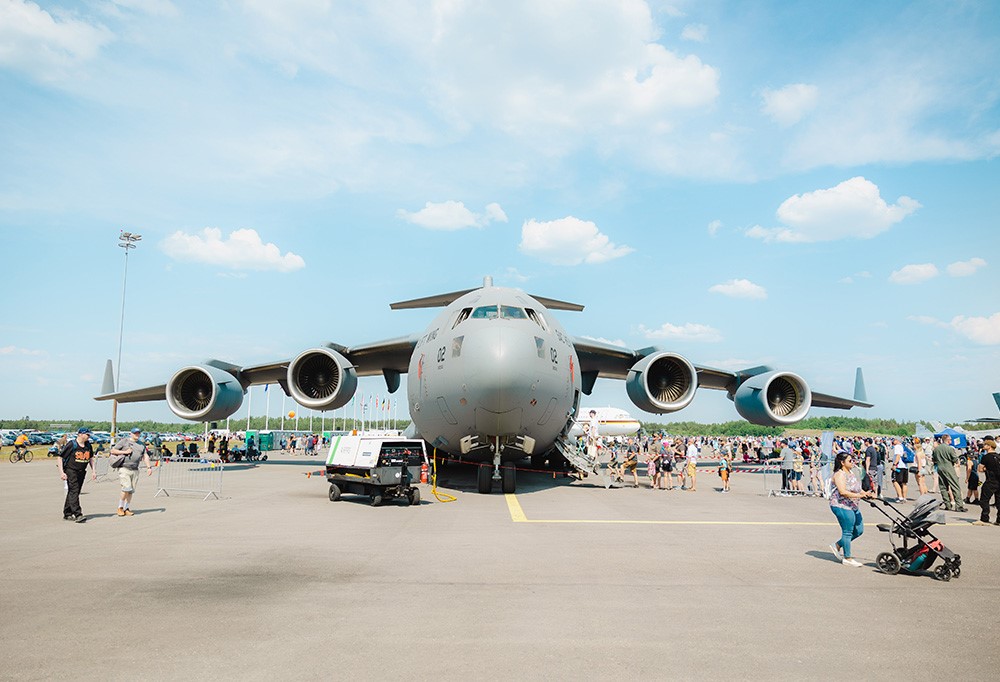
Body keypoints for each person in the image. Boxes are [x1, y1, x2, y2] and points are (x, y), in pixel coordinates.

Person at [828, 450, 875, 567]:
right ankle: (847, 558)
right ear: (842, 462)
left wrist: (866, 493)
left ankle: (838, 545)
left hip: (853, 505)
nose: (852, 462)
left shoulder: (851, 472)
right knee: (847, 532)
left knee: (859, 530)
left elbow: (857, 488)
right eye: (850, 460)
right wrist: (860, 496)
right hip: (841, 505)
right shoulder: (839, 474)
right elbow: (843, 492)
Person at [110, 427, 153, 516]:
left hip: (135, 469)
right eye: (135, 433)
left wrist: (149, 467)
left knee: (131, 491)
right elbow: (113, 450)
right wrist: (125, 452)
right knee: (126, 488)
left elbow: (145, 456)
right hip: (124, 468)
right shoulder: (124, 441)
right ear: (131, 434)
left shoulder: (141, 445)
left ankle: (126, 508)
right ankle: (120, 507)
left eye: (138, 433)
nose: (137, 435)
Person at [57, 427, 97, 522]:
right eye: (87, 434)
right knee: (74, 491)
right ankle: (78, 514)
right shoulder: (72, 444)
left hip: (82, 471)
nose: (88, 436)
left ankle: (67, 513)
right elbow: (60, 457)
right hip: (71, 471)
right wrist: (62, 472)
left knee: (74, 492)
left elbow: (91, 458)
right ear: (80, 434)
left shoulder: (88, 445)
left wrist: (93, 471)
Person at [932, 434, 966, 512]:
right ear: (948, 440)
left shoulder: (936, 449)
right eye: (950, 439)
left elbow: (934, 459)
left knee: (943, 487)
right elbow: (955, 459)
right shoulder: (950, 449)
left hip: (940, 468)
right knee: (955, 486)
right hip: (949, 467)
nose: (951, 441)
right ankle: (959, 506)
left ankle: (947, 505)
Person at [973, 437, 999, 526]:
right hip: (999, 480)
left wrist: (985, 469)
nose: (983, 445)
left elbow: (980, 469)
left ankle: (984, 518)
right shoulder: (998, 456)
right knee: (999, 500)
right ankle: (999, 519)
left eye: (985, 444)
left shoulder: (986, 457)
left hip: (991, 480)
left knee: (984, 500)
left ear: (989, 446)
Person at [891, 437, 909, 502]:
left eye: (894, 440)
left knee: (895, 481)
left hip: (899, 466)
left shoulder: (897, 447)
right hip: (905, 466)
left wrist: (894, 464)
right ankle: (904, 497)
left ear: (897, 441)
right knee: (904, 482)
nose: (893, 441)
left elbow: (898, 456)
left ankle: (900, 497)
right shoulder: (903, 446)